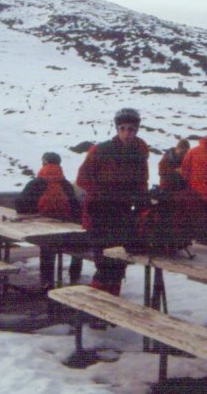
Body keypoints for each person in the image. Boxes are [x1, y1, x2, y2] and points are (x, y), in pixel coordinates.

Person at [77, 108, 149, 296]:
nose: (126, 133)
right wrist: (104, 192)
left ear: (136, 130)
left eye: (131, 129)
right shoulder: (101, 150)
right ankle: (96, 306)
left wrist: (139, 202)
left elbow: (142, 183)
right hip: (99, 213)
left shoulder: (139, 154)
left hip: (123, 214)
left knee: (118, 264)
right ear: (117, 129)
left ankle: (111, 303)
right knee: (103, 264)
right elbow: (82, 178)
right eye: (123, 128)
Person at [15, 152, 83, 290]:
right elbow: (76, 208)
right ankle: (74, 278)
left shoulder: (36, 183)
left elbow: (20, 205)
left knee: (46, 247)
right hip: (66, 229)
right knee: (78, 248)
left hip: (42, 228)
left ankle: (47, 282)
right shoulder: (66, 184)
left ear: (44, 163)